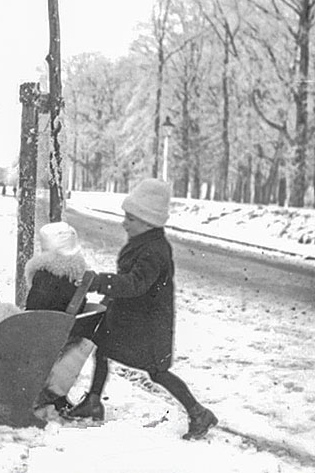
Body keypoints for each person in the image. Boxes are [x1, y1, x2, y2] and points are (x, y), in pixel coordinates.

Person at [66, 178, 218, 440]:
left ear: (149, 223)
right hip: (132, 319)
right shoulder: (146, 243)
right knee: (102, 348)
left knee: (157, 372)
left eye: (131, 219)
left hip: (148, 324)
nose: (124, 223)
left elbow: (136, 284)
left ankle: (198, 412)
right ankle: (93, 401)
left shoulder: (153, 251)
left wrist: (102, 282)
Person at [24, 221, 95, 413]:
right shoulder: (74, 277)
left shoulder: (45, 276)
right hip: (62, 334)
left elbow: (33, 312)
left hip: (42, 336)